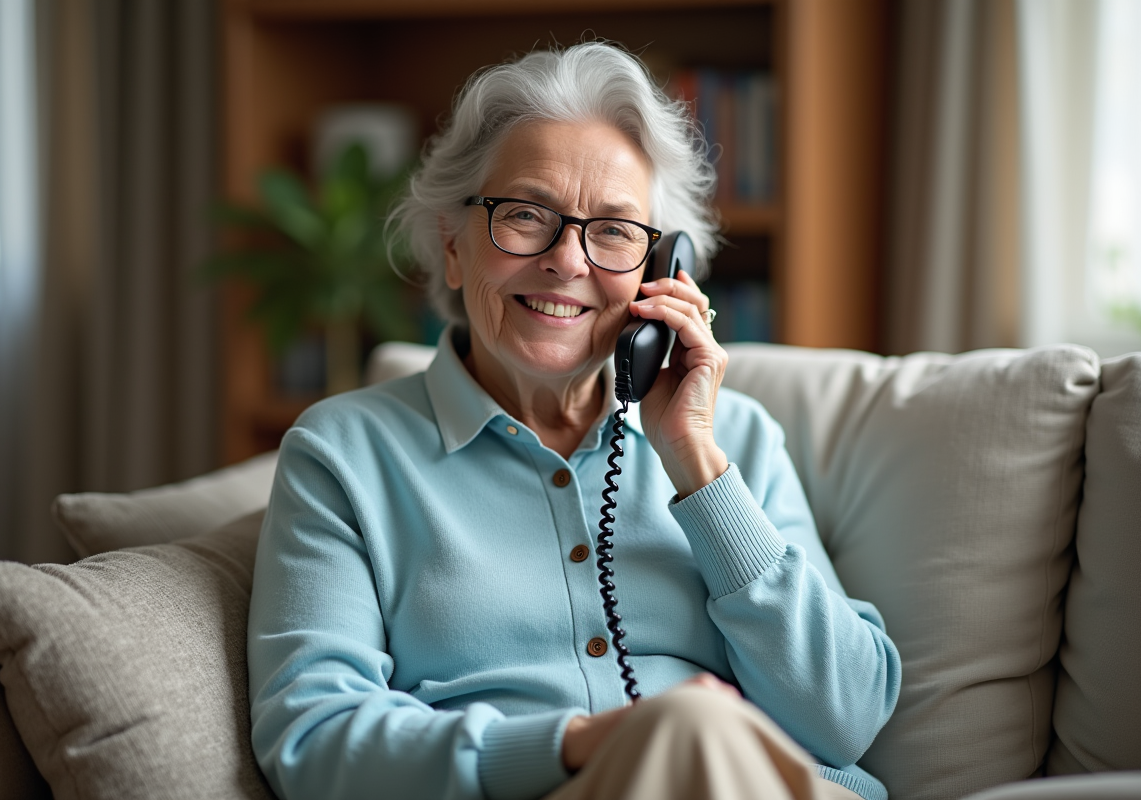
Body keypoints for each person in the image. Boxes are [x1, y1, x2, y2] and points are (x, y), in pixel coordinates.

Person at [247, 42, 901, 800]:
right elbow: (313, 738)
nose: (567, 260)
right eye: (526, 215)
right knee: (693, 728)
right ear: (453, 247)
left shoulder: (734, 437)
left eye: (616, 231)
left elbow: (847, 719)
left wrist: (694, 465)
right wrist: (576, 745)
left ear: (664, 275)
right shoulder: (345, 456)